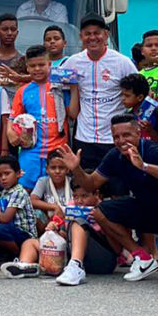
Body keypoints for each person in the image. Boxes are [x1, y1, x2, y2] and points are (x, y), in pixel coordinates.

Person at [58, 115, 158, 286]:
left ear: (138, 133)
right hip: (148, 208)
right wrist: (76, 169)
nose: (121, 141)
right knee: (101, 212)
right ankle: (142, 258)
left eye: (126, 135)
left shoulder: (153, 150)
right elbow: (91, 184)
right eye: (116, 137)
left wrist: (144, 166)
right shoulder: (114, 156)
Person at [62, 13, 137, 194]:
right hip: (84, 138)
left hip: (114, 139)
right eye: (87, 34)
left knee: (117, 190)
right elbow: (53, 84)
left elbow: (140, 92)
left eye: (97, 33)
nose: (92, 37)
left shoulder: (122, 62)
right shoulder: (73, 62)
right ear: (81, 36)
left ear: (106, 35)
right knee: (85, 191)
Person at [9, 45, 74, 189]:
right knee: (26, 189)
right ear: (27, 67)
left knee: (56, 191)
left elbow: (73, 114)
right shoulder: (22, 91)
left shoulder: (60, 88)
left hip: (57, 152)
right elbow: (12, 118)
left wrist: (75, 88)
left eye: (41, 65)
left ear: (49, 64)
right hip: (31, 152)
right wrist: (10, 131)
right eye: (33, 66)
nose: (37, 69)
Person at [54, 179, 116, 286]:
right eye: (75, 196)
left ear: (96, 194)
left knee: (79, 222)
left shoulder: (107, 209)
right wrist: (56, 229)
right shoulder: (72, 207)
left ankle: (76, 266)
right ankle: (73, 266)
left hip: (103, 260)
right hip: (78, 258)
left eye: (84, 196)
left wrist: (102, 222)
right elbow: (65, 236)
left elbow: (117, 249)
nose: (79, 201)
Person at [0, 157, 38, 273]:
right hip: (12, 232)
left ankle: (17, 254)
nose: (3, 178)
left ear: (18, 174)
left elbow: (5, 219)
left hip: (25, 236)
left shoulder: (19, 192)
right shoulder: (4, 192)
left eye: (7, 173)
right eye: (0, 175)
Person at [119, 73, 158, 147]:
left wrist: (150, 130)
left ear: (140, 97)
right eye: (122, 95)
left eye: (127, 95)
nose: (123, 98)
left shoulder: (156, 115)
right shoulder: (126, 117)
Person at [30, 151, 70, 232]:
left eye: (61, 168)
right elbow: (32, 200)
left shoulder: (72, 182)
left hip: (70, 222)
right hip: (49, 223)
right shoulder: (44, 181)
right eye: (53, 168)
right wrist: (55, 207)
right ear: (47, 169)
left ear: (67, 169)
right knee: (36, 213)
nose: (57, 171)